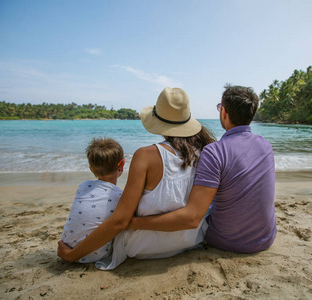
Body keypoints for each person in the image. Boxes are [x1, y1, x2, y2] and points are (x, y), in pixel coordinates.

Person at [57, 87, 215, 269]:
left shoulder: (145, 156)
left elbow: (120, 222)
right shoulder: (207, 151)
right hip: (191, 239)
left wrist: (71, 255)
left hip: (143, 246)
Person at [129, 84, 277, 253]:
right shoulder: (266, 146)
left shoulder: (216, 151)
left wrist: (132, 222)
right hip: (265, 239)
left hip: (226, 241)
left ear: (223, 112)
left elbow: (192, 218)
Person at [61, 137, 125, 263]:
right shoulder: (120, 196)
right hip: (96, 255)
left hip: (67, 246)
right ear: (122, 164)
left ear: (91, 168)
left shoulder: (83, 186)